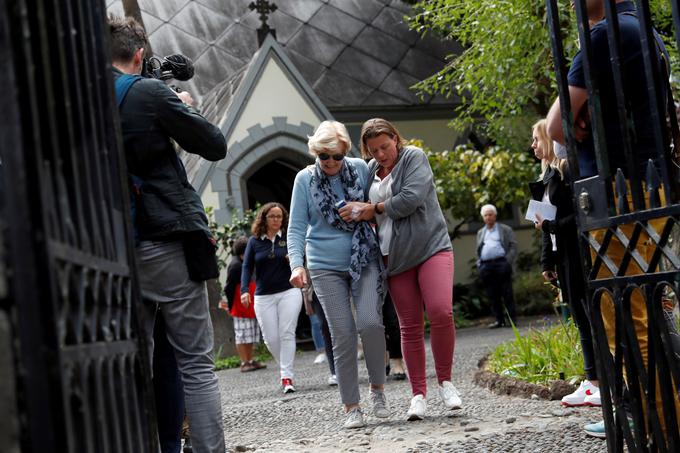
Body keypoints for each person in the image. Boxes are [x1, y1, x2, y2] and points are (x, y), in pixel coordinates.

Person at [545, 0, 679, 439]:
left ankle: (661, 426)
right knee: (655, 305)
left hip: (614, 192)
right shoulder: (644, 29)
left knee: (627, 313)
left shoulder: (601, 37)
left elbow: (557, 128)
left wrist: (583, 116)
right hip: (648, 181)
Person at [109, 15, 226, 453]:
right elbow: (213, 144)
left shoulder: (78, 101)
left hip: (109, 249)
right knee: (195, 362)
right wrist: (185, 106)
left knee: (131, 364)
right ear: (140, 55)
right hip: (163, 240)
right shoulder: (149, 93)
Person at [343, 118, 461, 421]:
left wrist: (375, 209)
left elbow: (410, 198)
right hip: (393, 257)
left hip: (431, 248)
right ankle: (418, 395)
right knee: (408, 327)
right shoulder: (370, 171)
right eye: (374, 150)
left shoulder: (413, 158)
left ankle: (445, 382)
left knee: (440, 311)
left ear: (396, 139)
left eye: (385, 146)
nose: (381, 154)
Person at [288, 120, 388, 429]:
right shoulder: (304, 180)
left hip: (364, 256)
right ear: (316, 154)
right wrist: (296, 264)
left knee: (371, 323)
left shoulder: (360, 167)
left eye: (336, 156)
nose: (330, 163)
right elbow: (296, 227)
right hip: (323, 265)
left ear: (345, 153)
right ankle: (351, 406)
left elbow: (382, 196)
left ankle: (377, 389)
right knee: (343, 332)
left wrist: (362, 207)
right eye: (324, 157)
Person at [529, 119, 600, 407]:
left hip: (578, 253)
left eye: (536, 139)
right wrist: (547, 259)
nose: (532, 145)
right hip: (563, 256)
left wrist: (550, 225)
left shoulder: (567, 171)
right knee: (580, 319)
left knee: (589, 316)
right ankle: (592, 379)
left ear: (549, 139)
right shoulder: (544, 178)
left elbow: (577, 218)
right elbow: (543, 223)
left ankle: (599, 380)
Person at [241, 203, 302, 394]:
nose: (276, 220)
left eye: (279, 217)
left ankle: (286, 376)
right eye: (272, 216)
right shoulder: (254, 242)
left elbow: (301, 259)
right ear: (264, 218)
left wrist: (293, 261)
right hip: (263, 295)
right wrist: (244, 290)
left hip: (288, 291)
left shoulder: (289, 238)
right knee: (270, 338)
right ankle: (286, 366)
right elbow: (247, 267)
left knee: (286, 333)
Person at [222, 236, 267, 373]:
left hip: (250, 305)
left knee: (251, 334)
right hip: (239, 306)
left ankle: (250, 359)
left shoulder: (249, 262)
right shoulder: (235, 265)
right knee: (242, 335)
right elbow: (229, 287)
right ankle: (244, 361)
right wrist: (230, 306)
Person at [475, 204, 518, 328]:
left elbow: (513, 246)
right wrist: (479, 263)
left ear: (495, 215)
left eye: (490, 214)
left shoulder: (505, 229)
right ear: (483, 217)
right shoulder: (480, 232)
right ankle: (499, 320)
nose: (488, 217)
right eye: (486, 215)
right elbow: (478, 249)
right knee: (492, 295)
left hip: (501, 264)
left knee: (507, 293)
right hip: (486, 266)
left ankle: (512, 320)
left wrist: (507, 261)